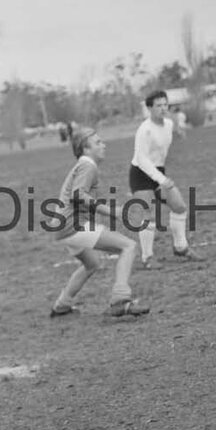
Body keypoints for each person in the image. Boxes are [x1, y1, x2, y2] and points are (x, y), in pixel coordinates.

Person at [50, 128, 149, 318]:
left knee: (92, 263)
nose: (104, 145)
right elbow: (78, 195)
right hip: (73, 225)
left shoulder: (83, 165)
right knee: (128, 246)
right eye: (98, 142)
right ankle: (120, 299)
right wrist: (112, 212)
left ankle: (62, 305)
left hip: (62, 227)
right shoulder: (88, 166)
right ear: (85, 149)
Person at [129, 89, 198, 269]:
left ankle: (181, 247)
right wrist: (161, 179)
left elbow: (168, 136)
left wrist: (180, 132)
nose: (162, 108)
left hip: (158, 171)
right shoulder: (144, 130)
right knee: (148, 215)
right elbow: (142, 159)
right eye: (158, 105)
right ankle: (147, 257)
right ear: (149, 108)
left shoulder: (168, 124)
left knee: (179, 207)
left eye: (165, 104)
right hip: (141, 173)